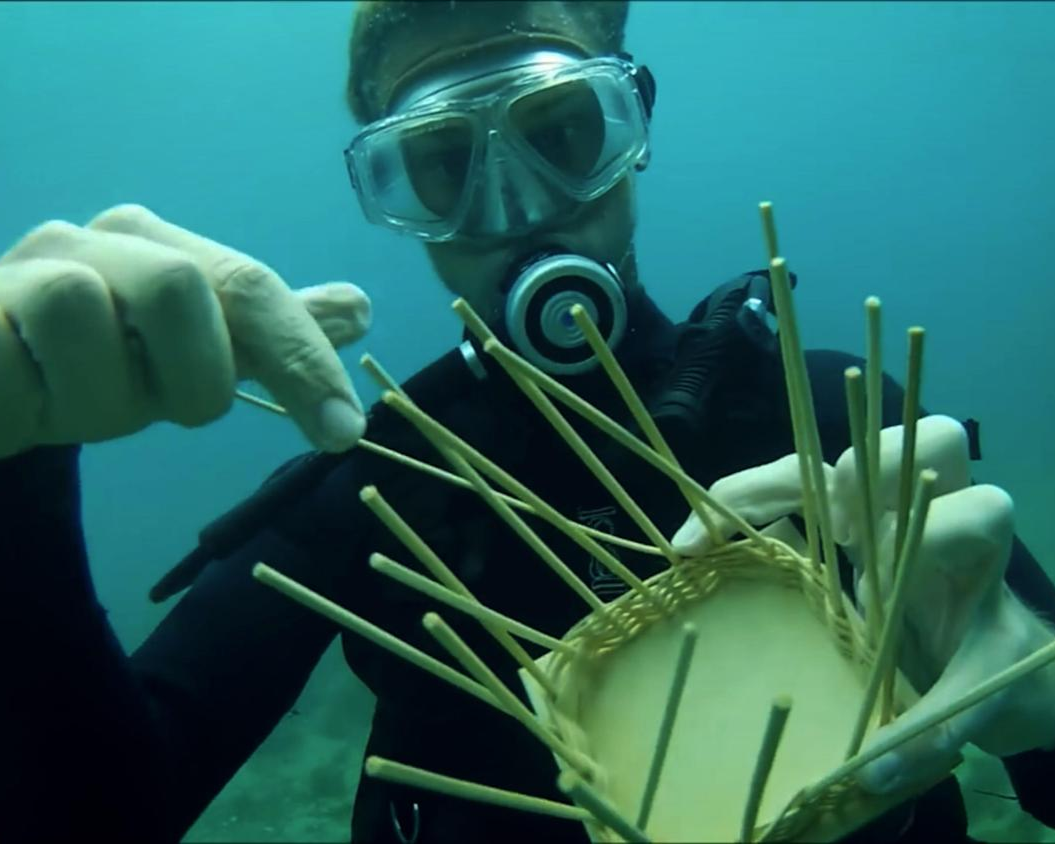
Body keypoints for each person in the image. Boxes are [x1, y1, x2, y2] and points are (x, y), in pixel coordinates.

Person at [2, 2, 1054, 841]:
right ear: (398, 196)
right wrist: (18, 470)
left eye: (559, 131)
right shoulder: (376, 482)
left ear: (631, 129)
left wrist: (1040, 697)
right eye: (444, 161)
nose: (516, 204)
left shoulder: (830, 417)